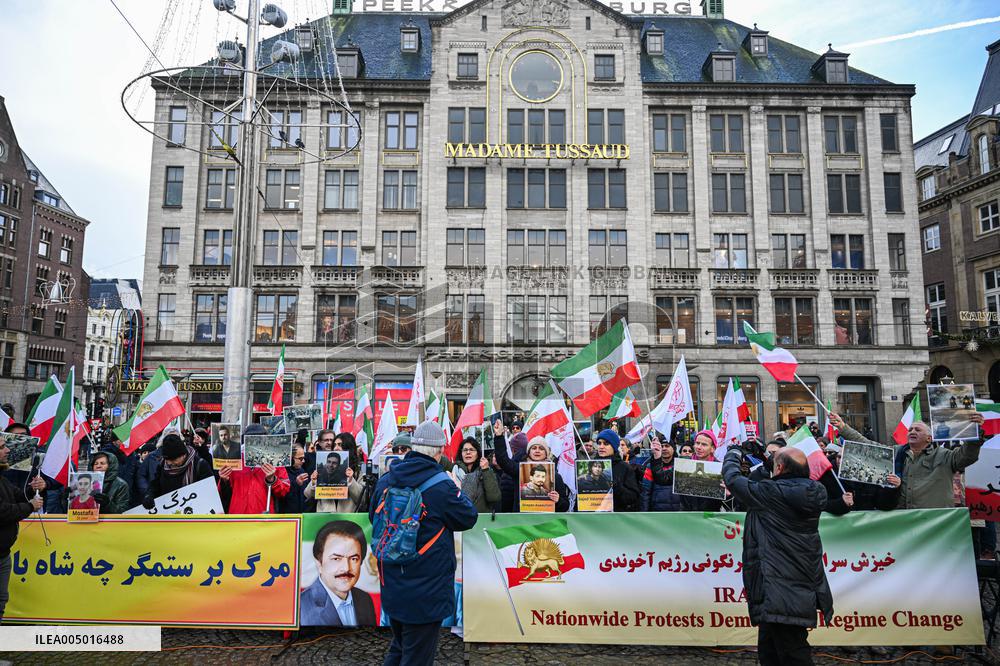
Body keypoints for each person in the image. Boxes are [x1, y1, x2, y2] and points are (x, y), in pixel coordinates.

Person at [370, 421, 477, 666]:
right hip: (427, 588)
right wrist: (459, 488)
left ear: (413, 447)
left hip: (393, 580)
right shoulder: (442, 484)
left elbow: (372, 517)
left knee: (399, 648)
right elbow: (468, 517)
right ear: (439, 452)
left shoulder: (387, 479)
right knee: (416, 657)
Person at [722, 444, 833, 665]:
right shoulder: (813, 491)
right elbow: (781, 481)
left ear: (780, 468)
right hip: (794, 581)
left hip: (779, 586)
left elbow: (733, 480)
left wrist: (733, 455)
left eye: (775, 464)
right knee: (770, 649)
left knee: (793, 652)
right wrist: (767, 459)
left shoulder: (771, 494)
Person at [829, 411, 984, 509]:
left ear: (929, 438)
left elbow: (967, 456)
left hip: (934, 521)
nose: (912, 432)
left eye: (917, 429)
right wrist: (843, 427)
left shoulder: (945, 456)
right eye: (910, 429)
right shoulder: (896, 453)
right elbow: (868, 445)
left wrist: (975, 433)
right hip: (902, 518)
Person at [300, 519, 377, 626]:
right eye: (336, 559)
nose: (346, 568)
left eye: (354, 559)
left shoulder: (364, 599)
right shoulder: (300, 606)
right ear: (319, 563)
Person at [0, 434, 44, 619]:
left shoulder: (2, 478)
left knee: (1, 600)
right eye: (2, 447)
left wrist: (35, 488)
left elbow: (18, 495)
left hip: (3, 554)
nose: (8, 450)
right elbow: (2, 511)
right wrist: (30, 506)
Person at [493, 424, 570, 512]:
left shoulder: (555, 476)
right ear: (529, 452)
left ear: (546, 453)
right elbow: (503, 461)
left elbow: (565, 506)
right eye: (534, 448)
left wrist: (558, 500)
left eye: (541, 448)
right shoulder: (519, 470)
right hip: (523, 521)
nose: (537, 450)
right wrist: (499, 437)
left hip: (546, 522)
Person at [143, 434, 215, 508]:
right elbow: (155, 485)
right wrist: (149, 495)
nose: (170, 463)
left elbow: (209, 492)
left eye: (173, 460)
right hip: (169, 511)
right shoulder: (162, 465)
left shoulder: (199, 465)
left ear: (183, 455)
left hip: (194, 512)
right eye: (167, 460)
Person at [594, 429, 640, 512]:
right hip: (592, 518)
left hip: (617, 518)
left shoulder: (625, 468)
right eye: (599, 443)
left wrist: (618, 487)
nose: (601, 446)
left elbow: (633, 498)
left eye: (606, 443)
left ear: (614, 447)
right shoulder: (590, 465)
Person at [453, 437, 501, 513]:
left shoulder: (486, 471)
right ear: (461, 453)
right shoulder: (454, 471)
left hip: (481, 520)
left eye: (471, 450)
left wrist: (486, 470)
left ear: (478, 453)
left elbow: (494, 497)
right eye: (465, 450)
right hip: (459, 519)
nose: (468, 452)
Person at [640, 437, 684, 512]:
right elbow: (645, 492)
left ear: (673, 449)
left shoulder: (681, 466)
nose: (664, 449)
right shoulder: (650, 466)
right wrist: (644, 513)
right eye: (661, 446)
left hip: (678, 512)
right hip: (657, 512)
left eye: (667, 446)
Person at [280, 445, 311, 513]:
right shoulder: (282, 472)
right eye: (300, 458)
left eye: (304, 458)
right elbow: (282, 496)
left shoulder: (302, 471)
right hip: (287, 515)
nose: (303, 461)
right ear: (291, 458)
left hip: (301, 514)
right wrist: (295, 484)